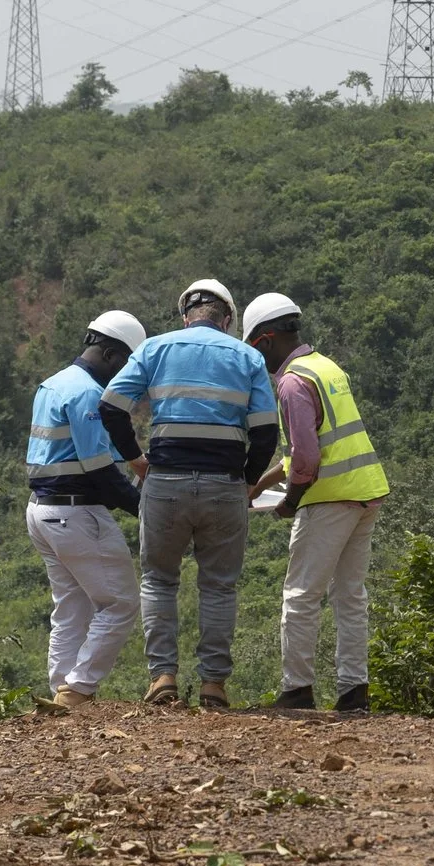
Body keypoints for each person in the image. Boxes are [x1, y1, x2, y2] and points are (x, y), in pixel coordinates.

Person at [98, 279, 279, 709]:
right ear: (227, 319)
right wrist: (247, 481)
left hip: (165, 483)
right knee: (219, 586)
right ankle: (213, 685)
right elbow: (266, 431)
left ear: (185, 316)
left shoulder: (154, 349)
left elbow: (110, 406)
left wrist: (136, 459)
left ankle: (163, 678)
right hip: (224, 484)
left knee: (159, 580)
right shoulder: (248, 357)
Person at [241, 292, 390, 714]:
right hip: (364, 493)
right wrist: (257, 486)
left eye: (256, 349)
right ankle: (353, 691)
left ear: (266, 339)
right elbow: (303, 452)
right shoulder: (326, 367)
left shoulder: (291, 383)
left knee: (301, 596)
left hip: (328, 500)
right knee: (350, 597)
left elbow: (306, 459)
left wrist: (290, 501)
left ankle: (297, 690)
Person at [25, 310, 150, 710]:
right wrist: (148, 511)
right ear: (112, 354)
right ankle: (78, 689)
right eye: (126, 365)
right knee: (121, 603)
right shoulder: (88, 394)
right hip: (74, 513)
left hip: (41, 513)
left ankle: (61, 690)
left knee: (71, 607)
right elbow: (99, 471)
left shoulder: (53, 383)